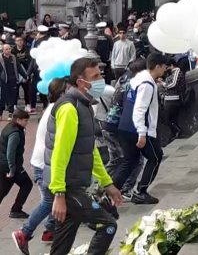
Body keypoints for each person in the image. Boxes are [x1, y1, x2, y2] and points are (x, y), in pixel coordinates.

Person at [44, 58, 121, 254]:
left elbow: (89, 149)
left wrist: (107, 183)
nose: (100, 80)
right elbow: (60, 153)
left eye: (100, 75)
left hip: (74, 184)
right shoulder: (70, 109)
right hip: (68, 187)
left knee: (61, 246)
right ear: (80, 82)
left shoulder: (84, 105)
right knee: (108, 225)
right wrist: (59, 194)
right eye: (95, 77)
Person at [12, 78, 68, 252]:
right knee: (49, 201)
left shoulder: (52, 108)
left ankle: (50, 231)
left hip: (42, 162)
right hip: (44, 164)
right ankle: (24, 232)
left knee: (51, 200)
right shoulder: (59, 110)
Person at [113, 53, 167, 204]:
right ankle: (141, 191)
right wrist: (142, 133)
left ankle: (109, 192)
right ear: (157, 66)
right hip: (139, 128)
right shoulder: (147, 85)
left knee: (129, 160)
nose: (164, 70)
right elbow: (140, 109)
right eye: (163, 67)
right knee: (155, 157)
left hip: (126, 126)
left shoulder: (138, 78)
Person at [102, 59, 146, 202]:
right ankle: (122, 189)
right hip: (119, 125)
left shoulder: (122, 81)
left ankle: (104, 186)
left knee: (117, 158)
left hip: (109, 123)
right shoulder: (133, 85)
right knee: (133, 159)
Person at [0, 110, 32, 219]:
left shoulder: (9, 127)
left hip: (4, 165)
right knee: (27, 184)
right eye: (25, 120)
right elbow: (10, 152)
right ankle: (16, 209)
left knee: (3, 190)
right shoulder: (15, 133)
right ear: (18, 120)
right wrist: (12, 169)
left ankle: (16, 209)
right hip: (11, 166)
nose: (27, 122)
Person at [160, 59, 186, 142]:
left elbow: (173, 84)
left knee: (167, 119)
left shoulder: (177, 72)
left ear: (171, 65)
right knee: (171, 119)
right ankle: (175, 133)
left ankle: (178, 131)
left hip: (173, 99)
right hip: (168, 99)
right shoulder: (171, 73)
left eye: (167, 67)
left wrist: (163, 83)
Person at [12, 36, 32, 113]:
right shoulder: (13, 50)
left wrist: (21, 61)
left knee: (27, 89)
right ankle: (14, 105)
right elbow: (14, 61)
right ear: (15, 42)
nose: (19, 42)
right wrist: (22, 60)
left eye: (21, 40)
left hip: (26, 72)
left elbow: (29, 60)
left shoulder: (27, 49)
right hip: (16, 73)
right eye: (18, 40)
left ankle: (27, 105)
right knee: (15, 90)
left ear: (23, 41)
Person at [0, 44, 19, 120]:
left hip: (13, 80)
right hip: (3, 81)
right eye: (6, 49)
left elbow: (19, 67)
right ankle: (0, 113)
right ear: (3, 50)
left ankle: (10, 113)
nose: (8, 50)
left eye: (9, 49)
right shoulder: (0, 58)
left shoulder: (13, 57)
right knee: (2, 98)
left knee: (12, 98)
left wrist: (25, 75)